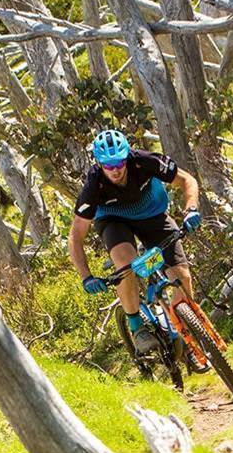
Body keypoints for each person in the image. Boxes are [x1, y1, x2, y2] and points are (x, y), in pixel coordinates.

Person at [69, 127, 201, 357]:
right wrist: (86, 276)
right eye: (108, 165)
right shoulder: (93, 186)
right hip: (113, 221)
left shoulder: (144, 161)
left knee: (183, 276)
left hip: (153, 215)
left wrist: (191, 210)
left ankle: (188, 332)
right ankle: (136, 327)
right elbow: (76, 236)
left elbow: (186, 180)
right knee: (125, 263)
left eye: (119, 163)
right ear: (99, 164)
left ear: (127, 156)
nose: (115, 170)